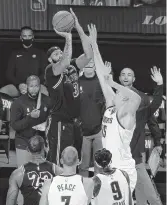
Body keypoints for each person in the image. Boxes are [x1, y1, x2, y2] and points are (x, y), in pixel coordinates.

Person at [88, 23, 141, 194]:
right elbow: (100, 74)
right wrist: (94, 45)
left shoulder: (126, 114)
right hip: (109, 167)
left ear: (124, 97)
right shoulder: (112, 103)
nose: (114, 92)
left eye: (118, 92)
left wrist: (113, 82)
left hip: (124, 170)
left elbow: (137, 98)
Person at [45, 8, 92, 164]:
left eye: (60, 51)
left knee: (74, 162)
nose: (60, 54)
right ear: (50, 60)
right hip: (59, 122)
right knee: (58, 162)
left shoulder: (72, 67)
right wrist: (68, 38)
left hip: (74, 122)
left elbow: (89, 55)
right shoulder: (51, 71)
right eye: (56, 54)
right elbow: (64, 61)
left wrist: (77, 26)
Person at [119, 67, 163, 205]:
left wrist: (160, 85)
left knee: (147, 196)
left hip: (136, 158)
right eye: (123, 75)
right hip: (118, 159)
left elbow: (152, 114)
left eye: (129, 75)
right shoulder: (112, 101)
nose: (126, 77)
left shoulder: (142, 106)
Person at [6, 135, 63, 205]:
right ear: (44, 148)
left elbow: (10, 202)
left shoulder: (18, 173)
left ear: (28, 149)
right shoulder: (58, 171)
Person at [10, 75, 51, 167]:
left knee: (39, 173)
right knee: (23, 172)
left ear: (40, 86)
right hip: (23, 141)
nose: (34, 89)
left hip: (41, 143)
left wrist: (46, 124)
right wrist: (30, 117)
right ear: (27, 87)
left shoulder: (47, 101)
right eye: (31, 86)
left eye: (36, 86)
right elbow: (14, 125)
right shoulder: (18, 102)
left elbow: (52, 118)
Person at [0, 26, 48, 97]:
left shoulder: (40, 53)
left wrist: (33, 84)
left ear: (33, 37)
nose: (27, 38)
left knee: (45, 93)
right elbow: (9, 74)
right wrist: (19, 84)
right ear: (21, 38)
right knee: (2, 92)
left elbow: (45, 73)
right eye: (24, 36)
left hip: (36, 86)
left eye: (29, 36)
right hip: (18, 86)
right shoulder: (14, 53)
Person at [79, 59, 105, 177]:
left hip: (99, 130)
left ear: (95, 66)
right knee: (82, 166)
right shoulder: (76, 82)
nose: (89, 64)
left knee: (99, 166)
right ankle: (83, 193)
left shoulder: (101, 82)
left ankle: (98, 192)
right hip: (82, 132)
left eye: (91, 63)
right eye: (86, 62)